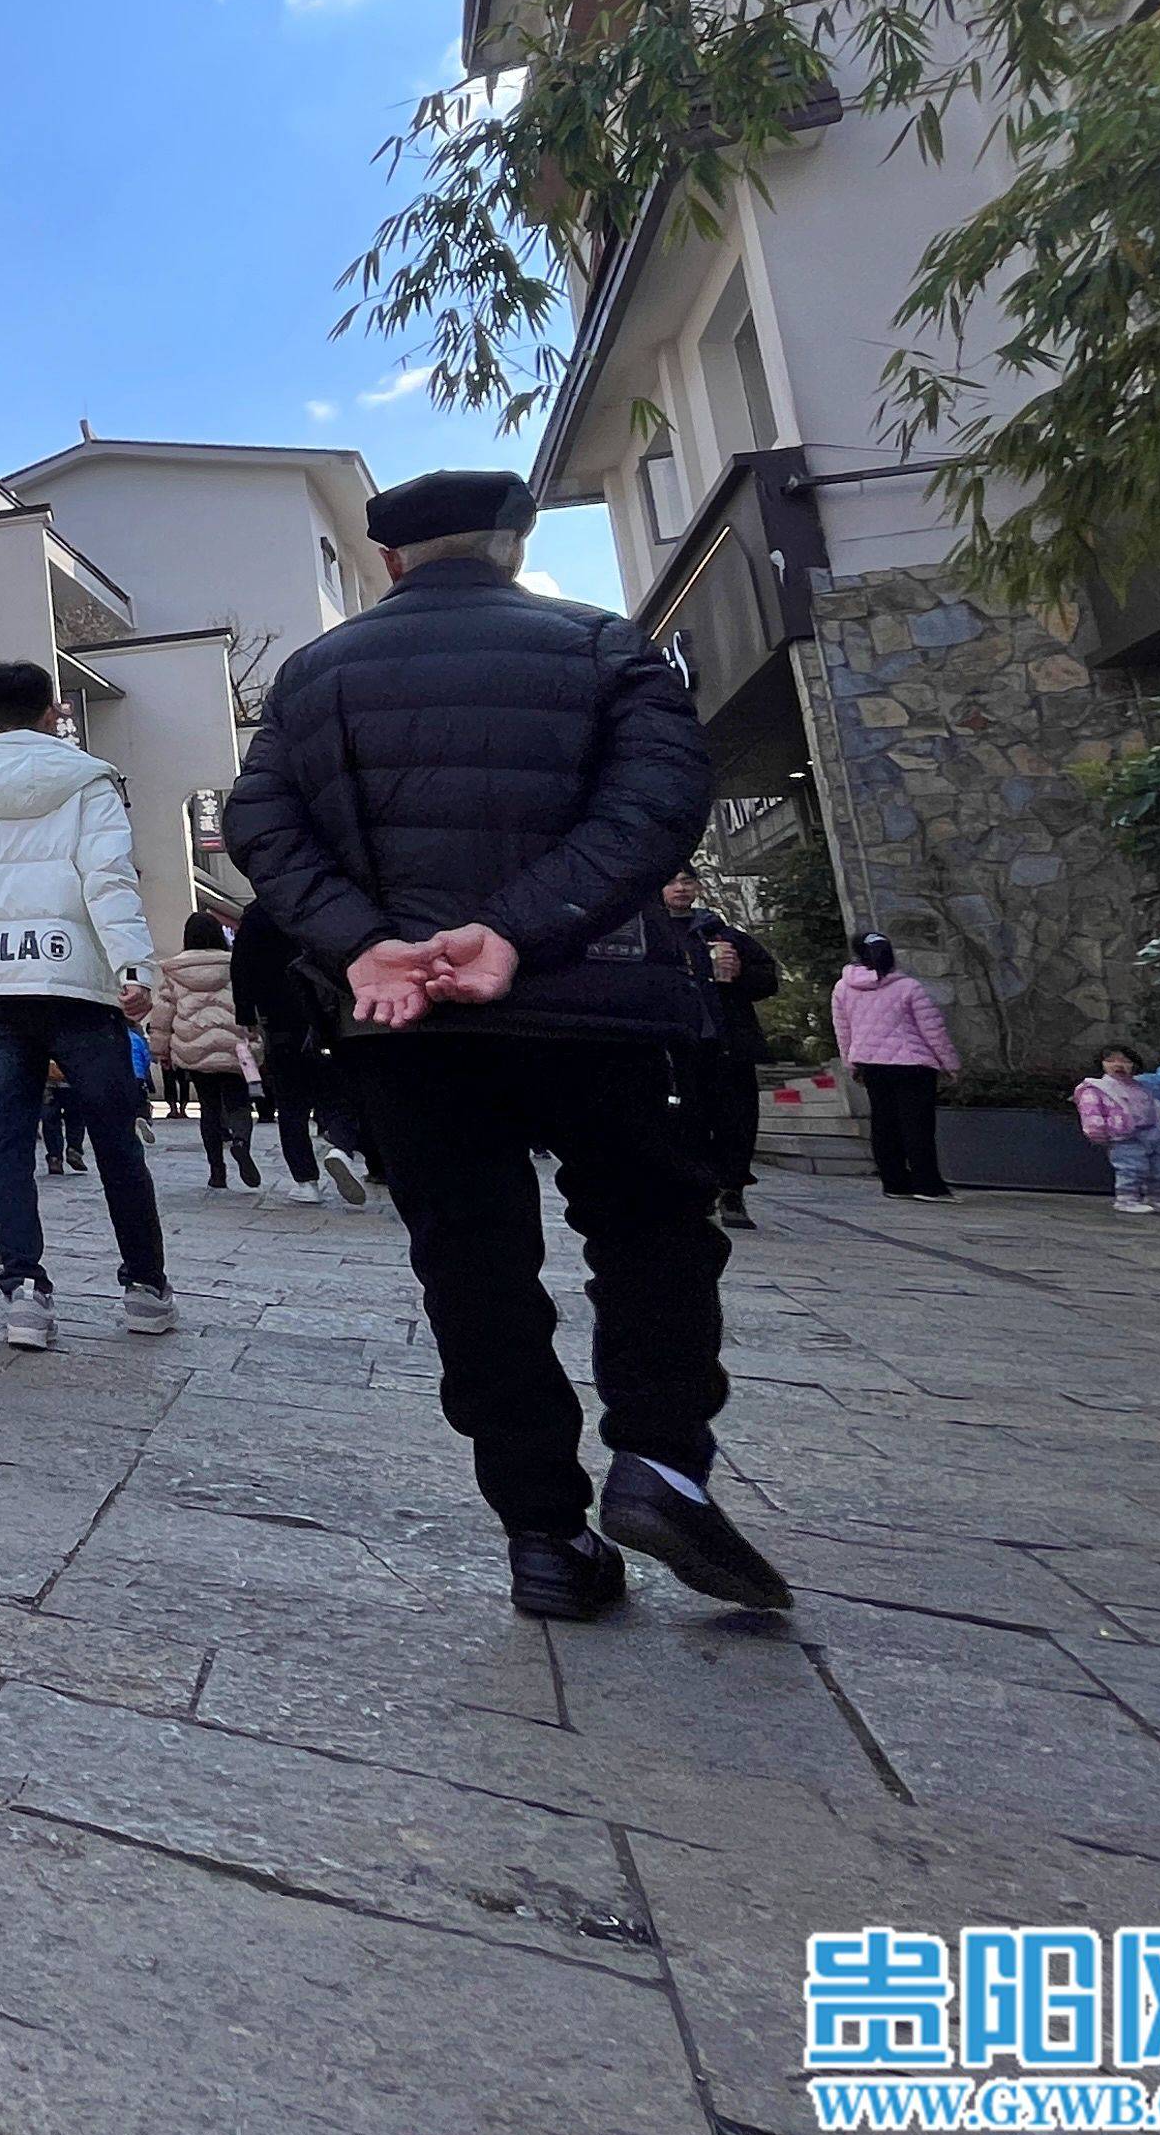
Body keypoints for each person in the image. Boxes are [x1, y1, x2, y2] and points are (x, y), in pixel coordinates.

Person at [223, 466, 788, 1624]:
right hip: (600, 1001)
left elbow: (260, 828)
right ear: (515, 545)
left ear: (389, 562)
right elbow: (657, 804)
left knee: (471, 1264)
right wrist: (520, 929)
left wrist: (368, 943)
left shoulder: (313, 677)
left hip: (406, 1026)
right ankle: (661, 1462)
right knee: (652, 1231)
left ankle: (543, 1535)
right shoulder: (605, 646)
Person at [0, 658, 170, 1354]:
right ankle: (145, 1287)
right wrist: (133, 966)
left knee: (4, 1143)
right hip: (76, 982)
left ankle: (25, 1292)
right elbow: (109, 878)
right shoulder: (88, 780)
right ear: (54, 712)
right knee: (116, 1139)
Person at [661, 868, 781, 1229]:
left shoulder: (723, 934)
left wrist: (739, 971)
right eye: (672, 882)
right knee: (686, 1121)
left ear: (698, 887)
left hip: (729, 1045)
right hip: (678, 1047)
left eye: (687, 881)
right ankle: (696, 1190)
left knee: (736, 1120)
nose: (680, 888)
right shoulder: (653, 934)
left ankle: (731, 1189)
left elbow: (767, 980)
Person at [228, 885, 361, 1203]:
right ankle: (342, 1147)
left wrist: (246, 1015)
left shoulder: (258, 915)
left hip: (279, 1020)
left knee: (291, 1105)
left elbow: (241, 968)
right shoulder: (317, 901)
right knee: (339, 1092)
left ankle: (305, 1182)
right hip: (327, 1016)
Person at [830, 933, 959, 1202]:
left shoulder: (843, 988)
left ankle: (894, 1182)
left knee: (883, 1123)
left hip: (871, 1064)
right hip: (913, 1064)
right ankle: (928, 1185)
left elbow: (843, 1030)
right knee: (917, 1125)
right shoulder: (909, 987)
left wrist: (850, 1063)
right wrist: (950, 1064)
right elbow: (933, 1030)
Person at [158, 912, 257, 1190]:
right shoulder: (234, 963)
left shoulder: (175, 970)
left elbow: (164, 1011)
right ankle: (240, 1141)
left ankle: (217, 1172)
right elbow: (248, 1002)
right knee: (239, 1102)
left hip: (194, 1046)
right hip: (233, 1045)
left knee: (209, 1108)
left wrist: (160, 1049)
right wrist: (256, 1038)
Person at [1077, 1044, 1160, 1217]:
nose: (1118, 1065)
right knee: (1131, 1168)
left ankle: (1155, 1199)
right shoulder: (1096, 1088)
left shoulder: (1141, 1087)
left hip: (1153, 1134)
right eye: (1110, 1061)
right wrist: (1097, 1133)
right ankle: (1126, 1200)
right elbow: (1091, 1113)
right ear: (1101, 1064)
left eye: (1125, 1061)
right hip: (1124, 1136)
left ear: (1134, 1065)